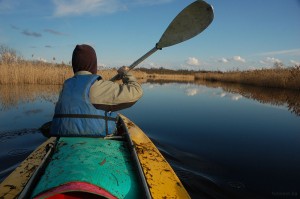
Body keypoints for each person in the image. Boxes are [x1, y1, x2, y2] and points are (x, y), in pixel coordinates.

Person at [50, 44, 143, 137]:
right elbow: (136, 90)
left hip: (63, 139)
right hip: (97, 140)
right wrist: (125, 73)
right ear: (93, 64)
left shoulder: (66, 87)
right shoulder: (100, 87)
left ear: (74, 65)